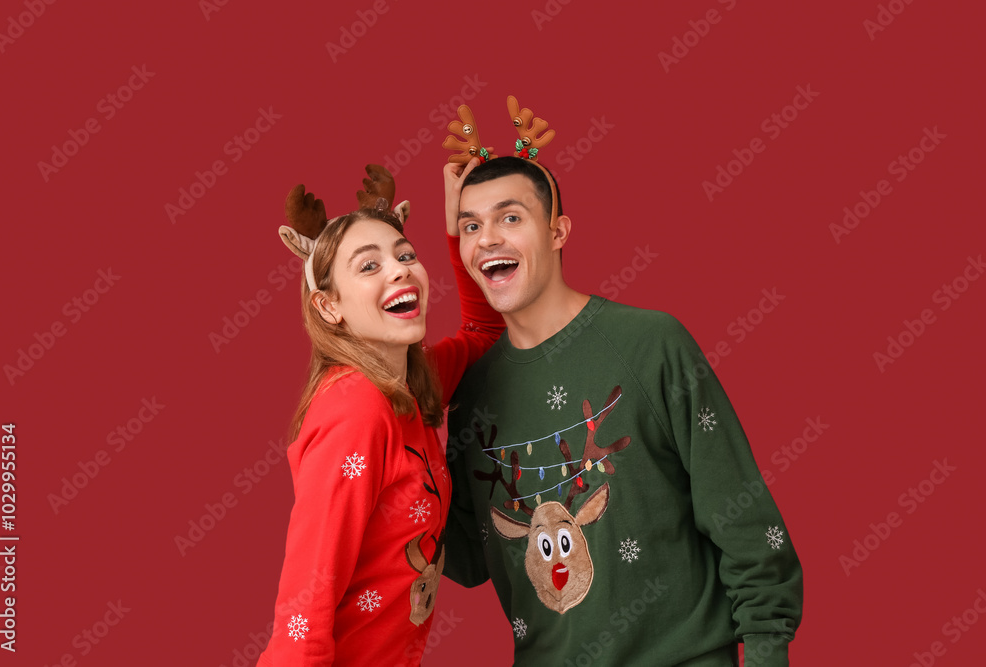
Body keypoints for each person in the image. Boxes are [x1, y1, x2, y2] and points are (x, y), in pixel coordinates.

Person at [440, 99, 803, 667]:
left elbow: (744, 518)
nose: (487, 238)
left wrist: (764, 649)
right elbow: (463, 559)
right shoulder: (470, 395)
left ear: (558, 231)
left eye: (510, 218)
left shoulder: (651, 344)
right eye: (471, 226)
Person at [256, 163, 503, 666]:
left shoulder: (413, 380)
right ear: (329, 307)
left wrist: (458, 227)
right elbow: (307, 604)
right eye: (368, 266)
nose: (399, 270)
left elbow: (485, 334)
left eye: (406, 254)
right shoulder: (355, 412)